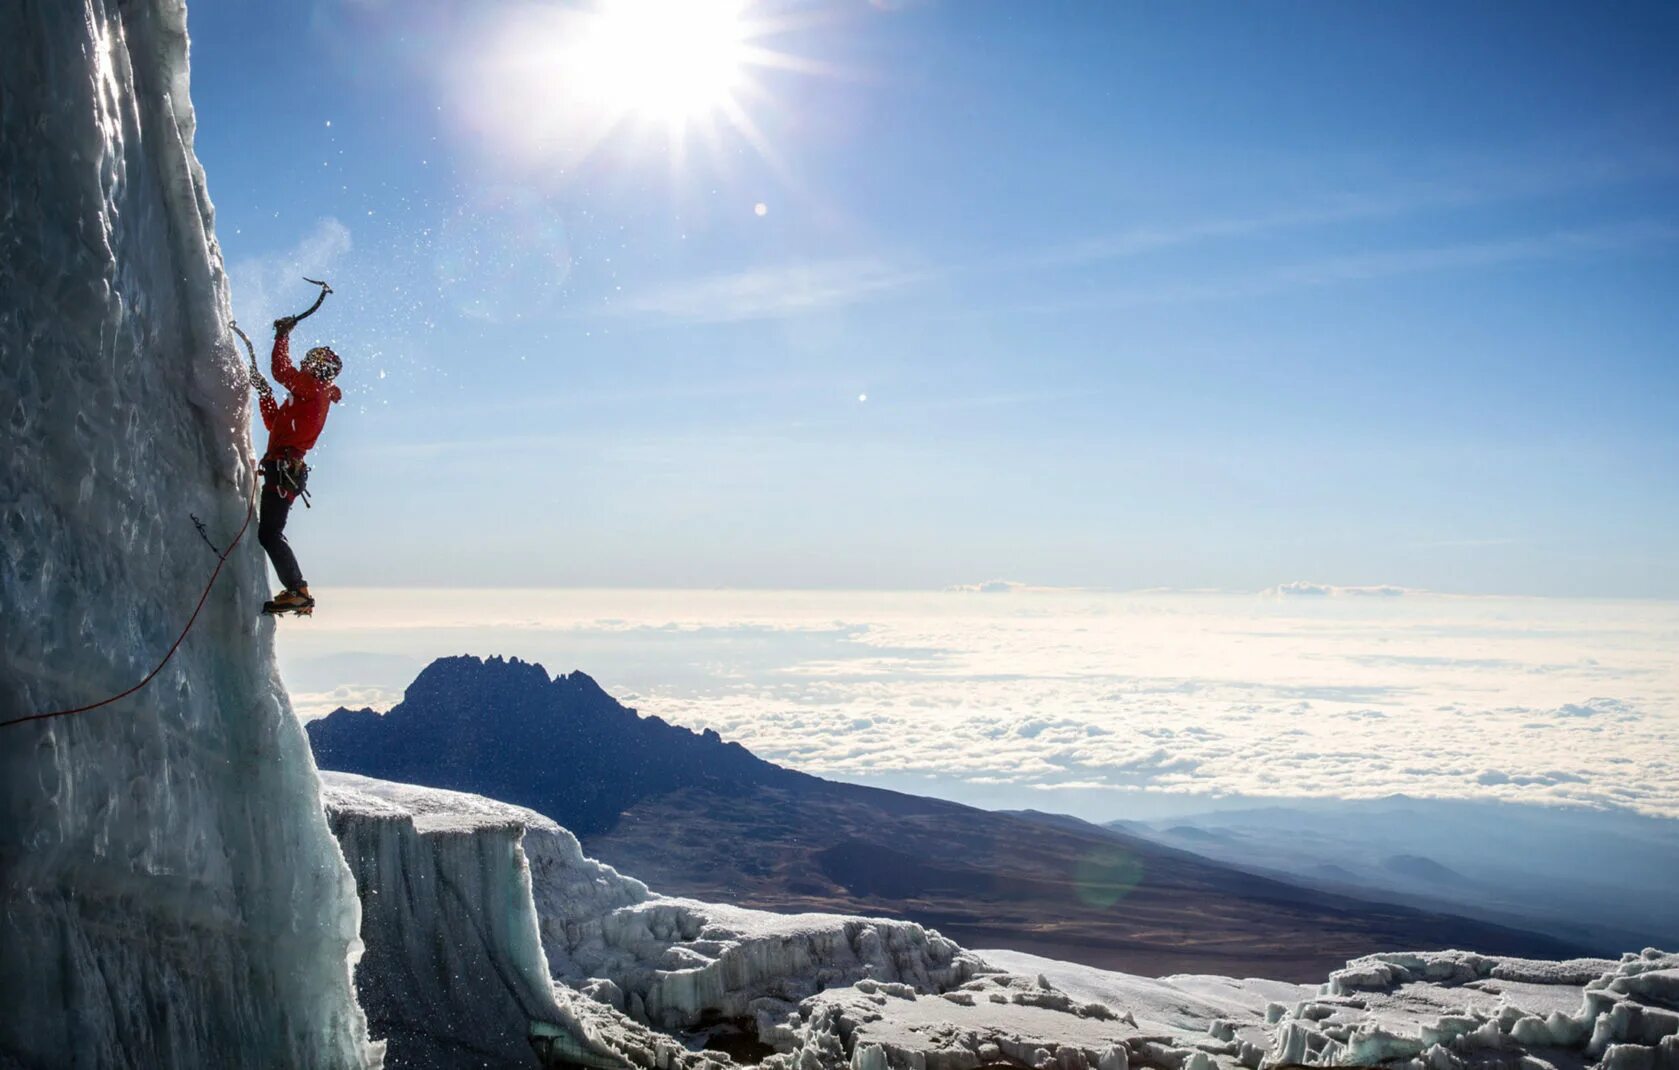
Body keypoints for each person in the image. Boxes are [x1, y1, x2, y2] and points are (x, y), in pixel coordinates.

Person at [251, 315, 342, 613]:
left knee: (269, 534)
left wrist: (282, 335)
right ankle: (297, 589)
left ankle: (298, 589)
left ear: (319, 368)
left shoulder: (313, 387)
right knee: (271, 532)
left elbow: (280, 370)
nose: (307, 362)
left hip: (284, 472)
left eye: (313, 360)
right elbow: (275, 425)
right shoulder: (311, 394)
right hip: (285, 471)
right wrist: (265, 395)